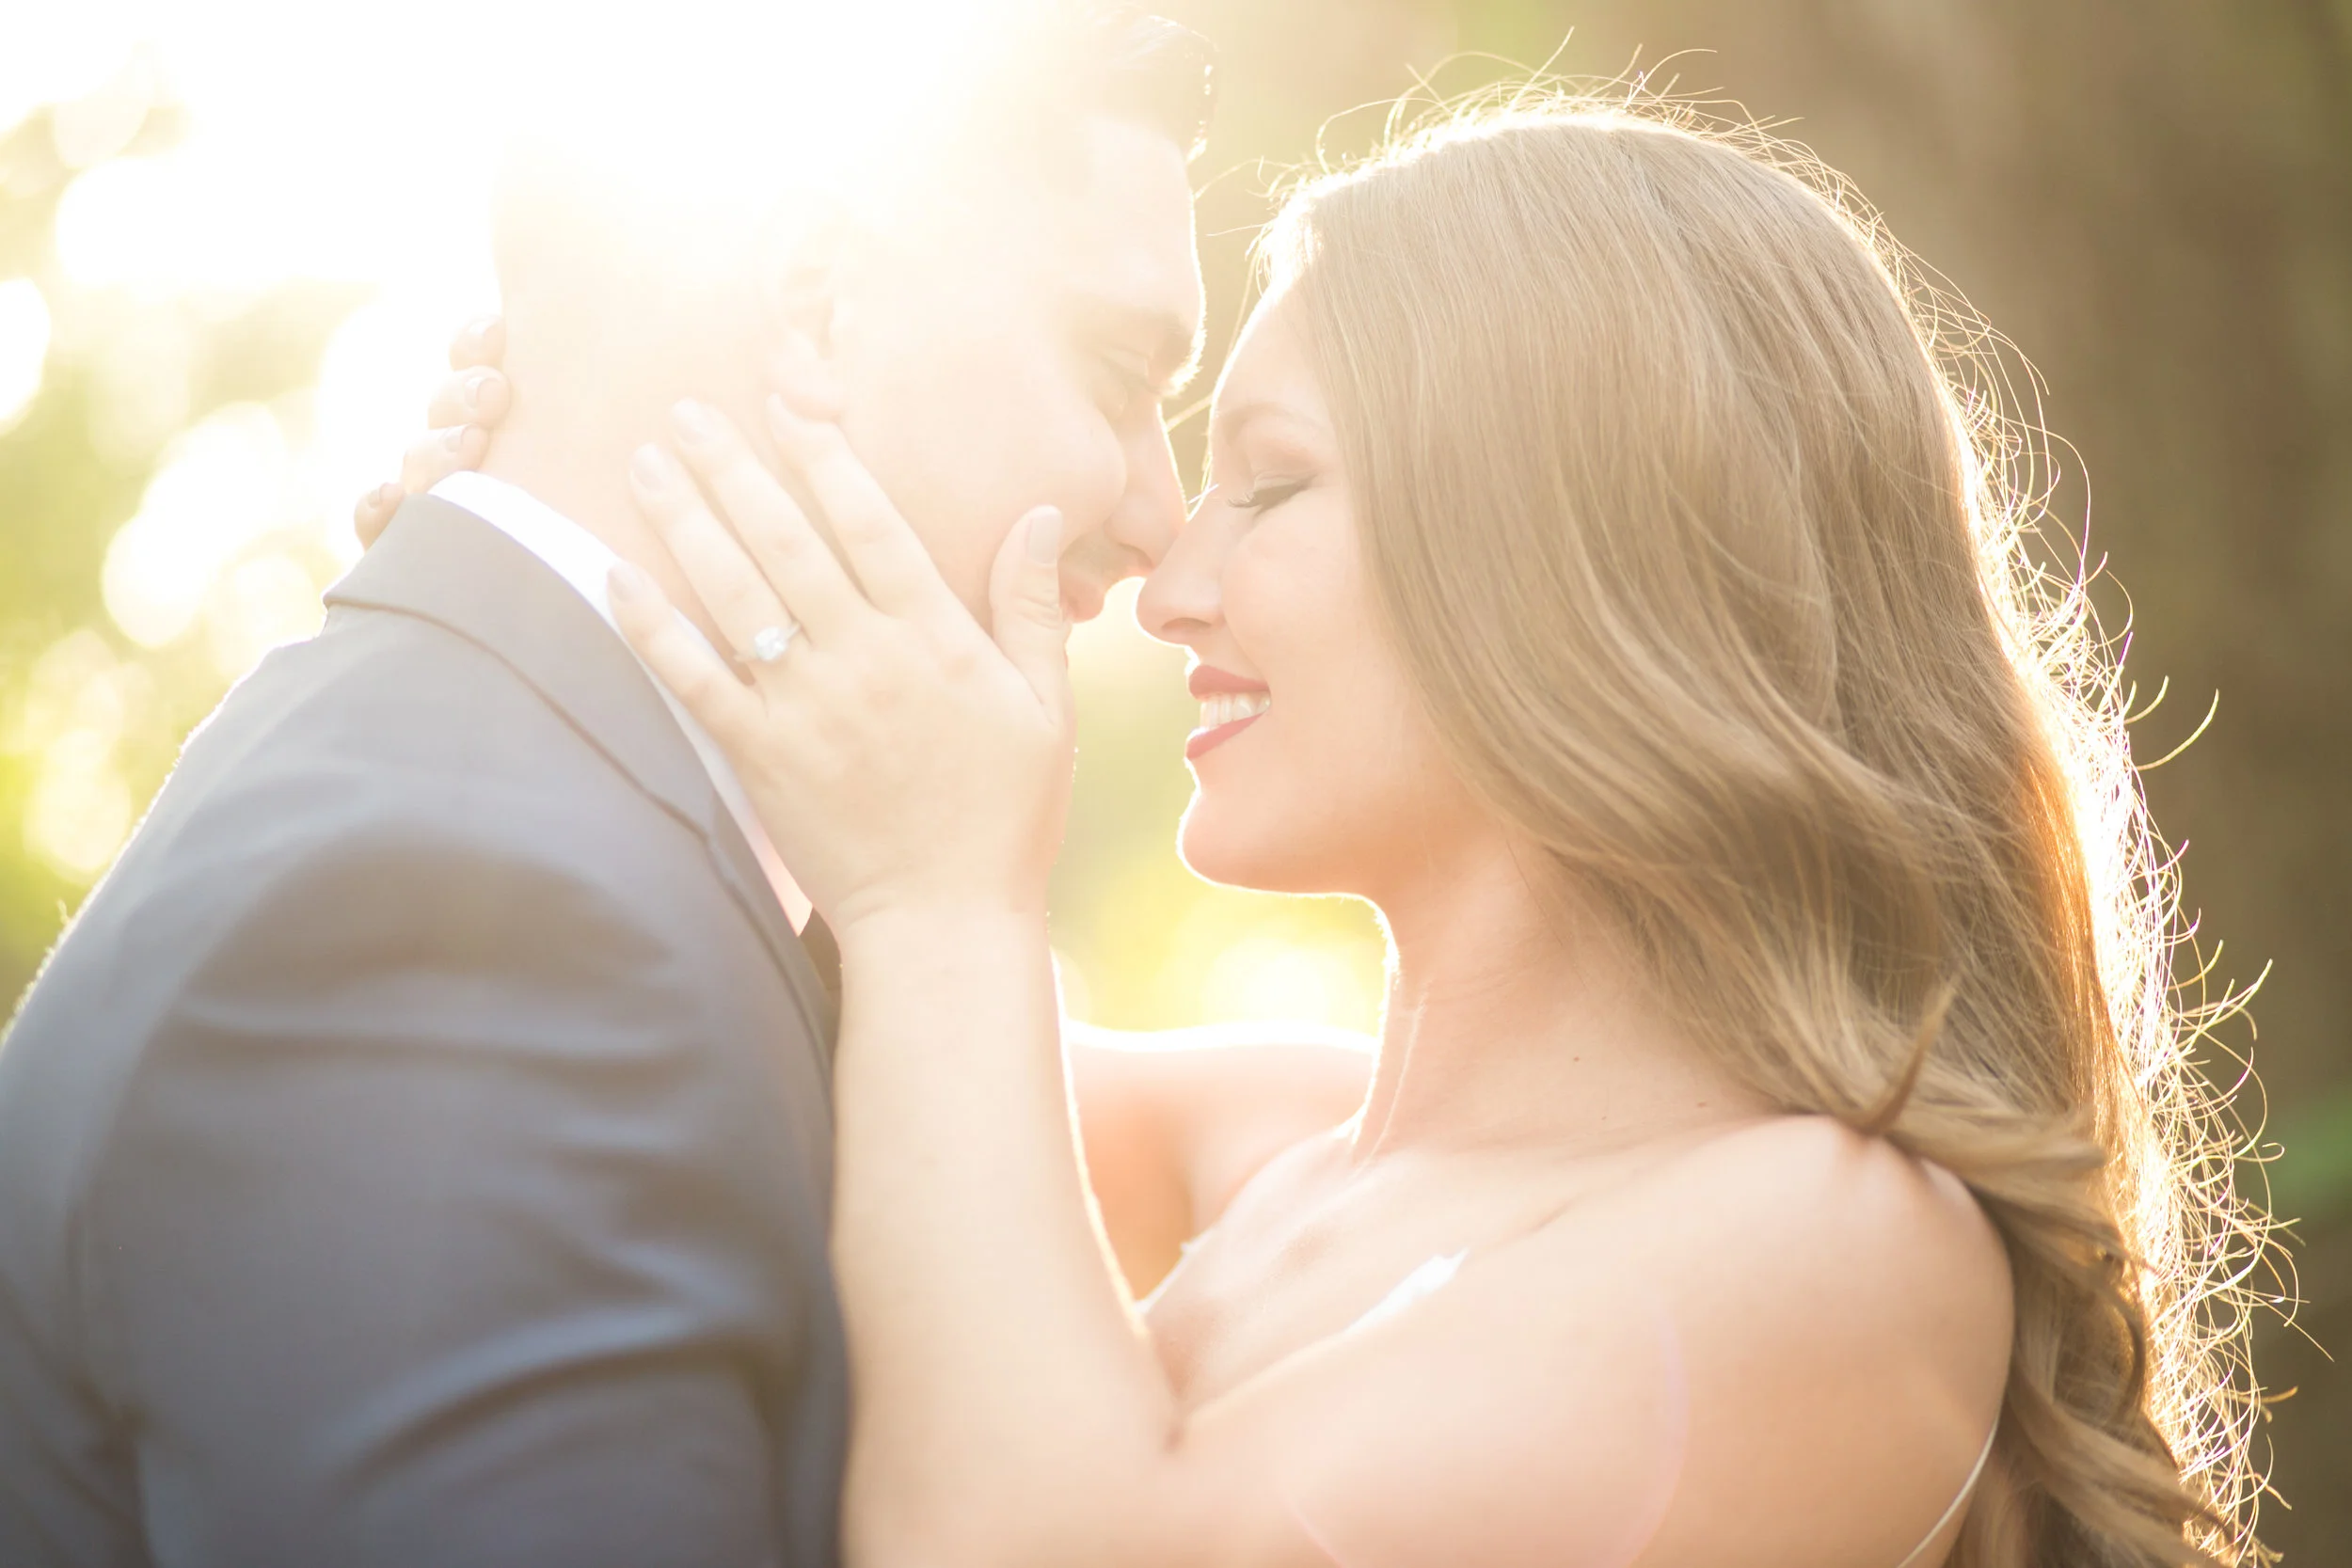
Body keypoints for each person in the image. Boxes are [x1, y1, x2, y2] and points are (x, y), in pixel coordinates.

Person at [404, 93, 2269, 1566]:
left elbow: (1033, 1549)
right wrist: (586, 550)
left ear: (1564, 544)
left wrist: (944, 894)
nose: (1170, 581)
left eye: (1269, 484)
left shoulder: (1849, 1250)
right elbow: (782, 1011)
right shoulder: (1293, 1146)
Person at [0, 8, 1357, 1566]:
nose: (1156, 507)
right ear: (813, 302)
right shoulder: (470, 938)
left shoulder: (544, 835)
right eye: (1120, 370)